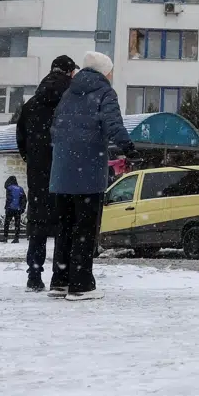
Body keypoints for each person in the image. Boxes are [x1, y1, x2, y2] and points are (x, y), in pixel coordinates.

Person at [48, 51, 135, 301]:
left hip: (62, 174)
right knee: (85, 230)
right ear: (104, 71)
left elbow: (54, 129)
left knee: (64, 228)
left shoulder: (68, 93)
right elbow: (113, 124)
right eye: (111, 70)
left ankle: (60, 280)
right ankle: (81, 284)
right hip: (87, 173)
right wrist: (128, 148)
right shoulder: (105, 92)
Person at [15, 54, 78, 292]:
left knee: (39, 225)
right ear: (70, 72)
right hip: (66, 169)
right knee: (65, 224)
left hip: (38, 173)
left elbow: (21, 139)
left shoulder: (31, 104)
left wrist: (33, 159)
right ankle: (60, 276)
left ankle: (34, 274)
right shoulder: (71, 100)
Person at [1, 176, 25, 243]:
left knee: (7, 223)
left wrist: (6, 207)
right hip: (18, 209)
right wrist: (23, 208)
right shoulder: (21, 189)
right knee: (17, 224)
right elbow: (24, 199)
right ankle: (16, 238)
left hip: (10, 208)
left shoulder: (9, 188)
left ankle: (5, 237)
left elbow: (8, 198)